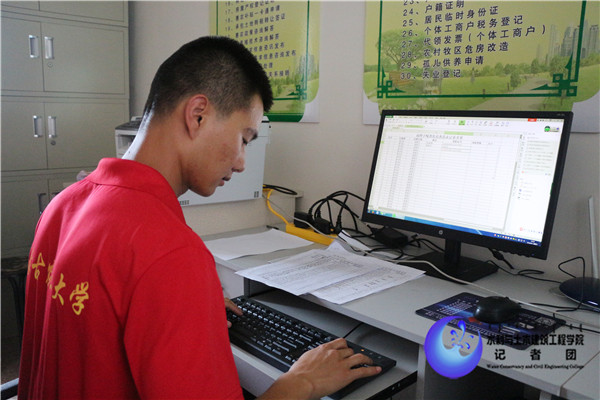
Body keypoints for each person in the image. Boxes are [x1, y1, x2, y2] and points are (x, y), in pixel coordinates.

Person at [18, 36, 381, 400]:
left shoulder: (62, 205)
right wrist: (304, 381)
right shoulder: (170, 252)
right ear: (198, 115)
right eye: (244, 138)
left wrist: (178, 305)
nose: (241, 162)